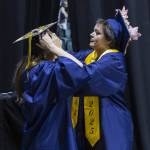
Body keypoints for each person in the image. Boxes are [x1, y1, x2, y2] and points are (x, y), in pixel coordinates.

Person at [15, 7, 141, 150]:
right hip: (86, 128)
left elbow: (85, 73)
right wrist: (56, 47)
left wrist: (54, 48)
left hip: (110, 124)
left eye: (97, 33)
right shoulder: (90, 55)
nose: (91, 34)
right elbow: (70, 61)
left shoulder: (114, 61)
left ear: (109, 41)